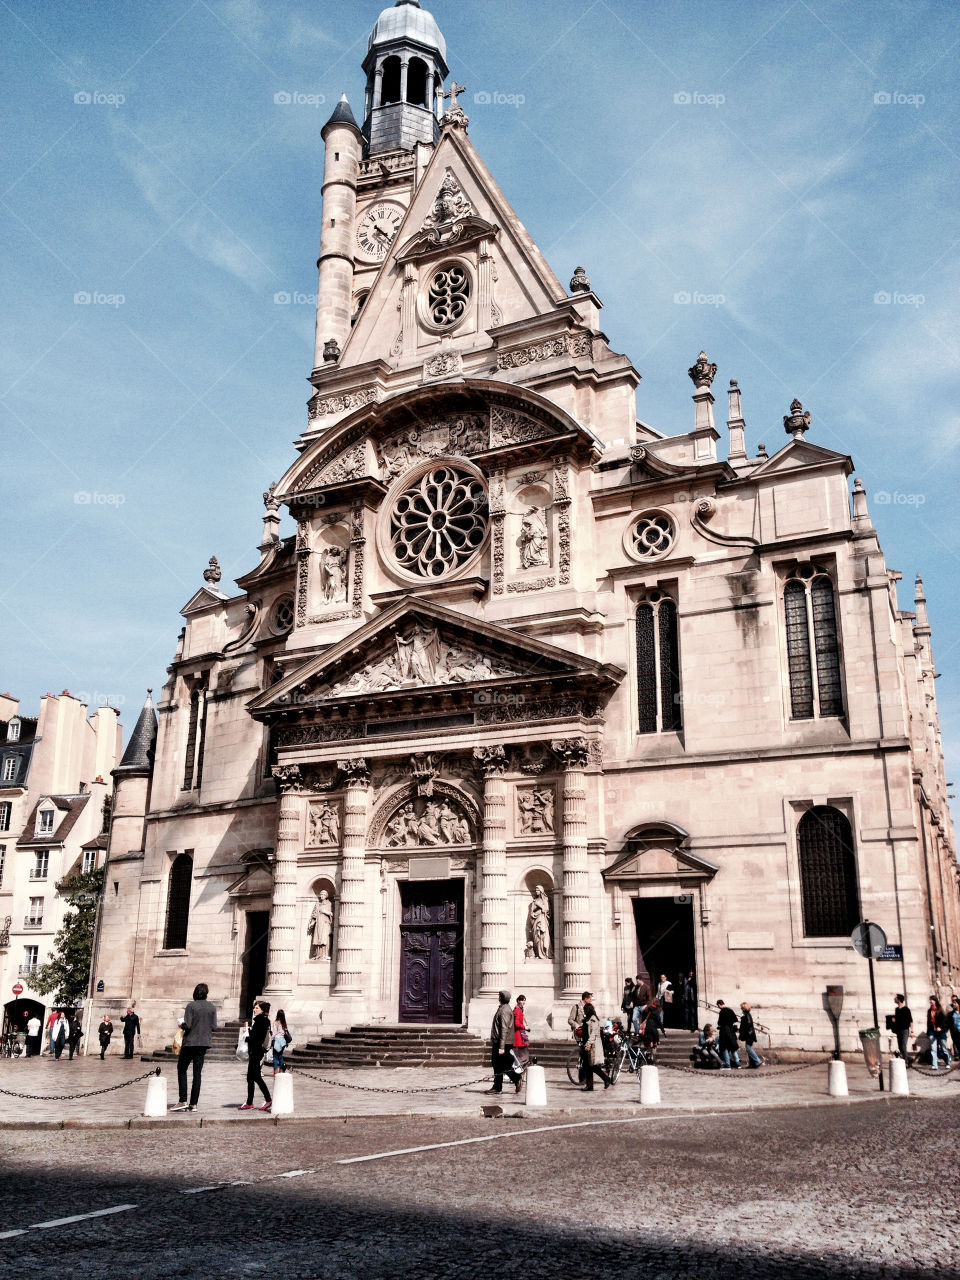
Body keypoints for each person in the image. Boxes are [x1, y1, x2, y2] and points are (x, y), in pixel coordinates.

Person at [172, 982, 217, 1112]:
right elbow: (214, 1027)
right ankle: (194, 1104)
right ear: (206, 993)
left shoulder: (191, 1006)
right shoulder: (212, 1007)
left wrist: (181, 1024)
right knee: (197, 1073)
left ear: (195, 992)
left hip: (190, 1042)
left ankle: (183, 1100)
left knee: (182, 1069)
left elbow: (188, 1025)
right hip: (204, 1043)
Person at [238, 999, 272, 1112]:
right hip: (255, 1052)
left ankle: (268, 1099)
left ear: (262, 1010)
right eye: (254, 1007)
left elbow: (257, 1038)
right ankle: (249, 1102)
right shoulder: (260, 1020)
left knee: (256, 1077)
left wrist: (247, 1037)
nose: (254, 1009)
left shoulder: (261, 1021)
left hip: (256, 1052)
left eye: (257, 1008)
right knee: (250, 1077)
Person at [487, 989, 522, 1094]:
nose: (498, 998)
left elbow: (504, 1029)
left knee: (502, 1065)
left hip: (502, 1043)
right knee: (498, 1064)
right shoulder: (504, 1008)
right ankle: (497, 1087)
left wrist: (501, 1047)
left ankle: (516, 1078)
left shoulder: (504, 1010)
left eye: (499, 996)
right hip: (502, 1042)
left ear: (501, 998)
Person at [579, 1001, 612, 1090]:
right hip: (587, 1043)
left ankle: (606, 1079)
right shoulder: (588, 1018)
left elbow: (593, 1033)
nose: (584, 1011)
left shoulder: (593, 1019)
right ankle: (590, 1085)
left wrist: (588, 1044)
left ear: (588, 1010)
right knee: (587, 1066)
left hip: (592, 1045)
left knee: (592, 1066)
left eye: (585, 1010)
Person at [925, 996, 952, 1070]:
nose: (930, 1001)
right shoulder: (929, 1011)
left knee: (944, 1048)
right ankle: (934, 1065)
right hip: (932, 1031)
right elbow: (928, 1022)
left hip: (941, 1032)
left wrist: (940, 1027)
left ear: (935, 1001)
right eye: (930, 1000)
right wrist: (928, 1033)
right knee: (933, 1048)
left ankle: (948, 1062)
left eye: (932, 1000)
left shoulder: (940, 1010)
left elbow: (945, 1021)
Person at [738, 1001, 764, 1068]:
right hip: (750, 1034)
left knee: (748, 1048)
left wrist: (742, 1031)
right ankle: (752, 1064)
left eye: (741, 1008)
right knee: (749, 1048)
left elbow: (747, 1024)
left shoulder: (746, 1015)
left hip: (749, 1034)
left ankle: (758, 1061)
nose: (741, 1009)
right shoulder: (747, 1014)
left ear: (744, 1008)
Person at [716, 999, 740, 1068]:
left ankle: (728, 1064)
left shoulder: (722, 1012)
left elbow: (719, 1022)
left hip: (724, 1032)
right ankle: (738, 1063)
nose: (718, 1007)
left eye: (718, 1006)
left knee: (724, 1048)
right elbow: (735, 1019)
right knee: (733, 1048)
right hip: (731, 1031)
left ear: (719, 1005)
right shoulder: (730, 1010)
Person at [891, 994, 913, 1062]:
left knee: (903, 1046)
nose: (894, 999)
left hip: (905, 1030)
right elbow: (897, 1020)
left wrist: (912, 1031)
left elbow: (911, 1021)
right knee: (900, 1047)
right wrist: (894, 1020)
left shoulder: (906, 1009)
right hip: (898, 1030)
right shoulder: (897, 1009)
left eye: (895, 998)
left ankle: (906, 1062)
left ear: (899, 1000)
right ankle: (909, 1059)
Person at [512, 994, 531, 1072]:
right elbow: (516, 1024)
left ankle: (519, 1071)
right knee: (522, 1056)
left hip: (520, 1035)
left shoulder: (519, 1010)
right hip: (518, 1036)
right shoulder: (518, 1010)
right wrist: (524, 1027)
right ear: (518, 1001)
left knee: (521, 1056)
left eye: (524, 1000)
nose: (523, 1002)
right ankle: (518, 1072)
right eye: (522, 1000)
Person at [272, 1009, 291, 1075]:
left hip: (277, 1040)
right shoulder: (284, 1023)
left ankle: (276, 1071)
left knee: (275, 1057)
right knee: (280, 1056)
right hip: (283, 1041)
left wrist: (271, 1040)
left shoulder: (276, 1022)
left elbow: (274, 1033)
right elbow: (286, 1032)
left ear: (277, 1014)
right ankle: (281, 1070)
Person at [948, 995, 960, 1061]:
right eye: (953, 1001)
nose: (954, 1002)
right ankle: (956, 1055)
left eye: (955, 1001)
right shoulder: (950, 1007)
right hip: (954, 1029)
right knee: (955, 1041)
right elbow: (948, 1018)